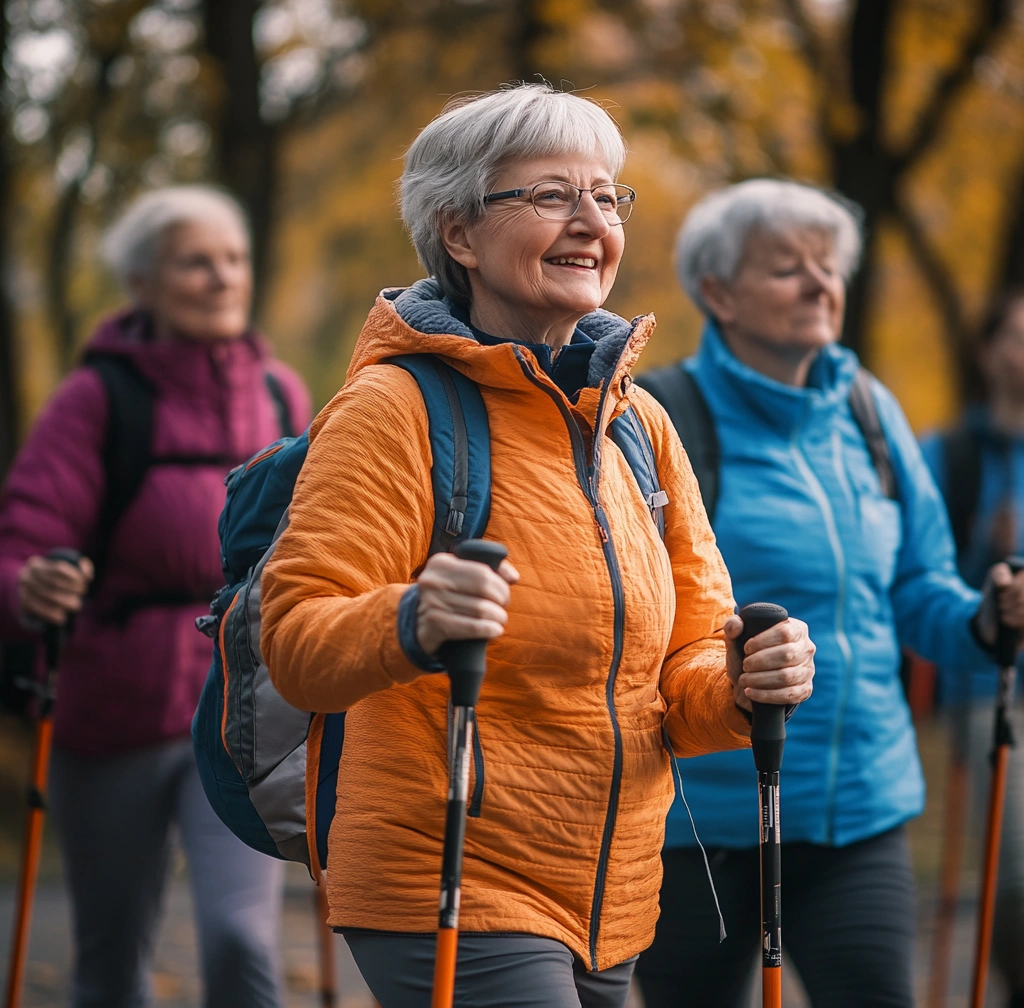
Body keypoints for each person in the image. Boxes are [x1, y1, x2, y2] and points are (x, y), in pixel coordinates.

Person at [258, 84, 816, 1008]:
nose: (590, 221)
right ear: (460, 233)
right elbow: (297, 648)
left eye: (606, 195)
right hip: (447, 875)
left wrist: (749, 683)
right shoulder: (394, 409)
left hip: (614, 896)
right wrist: (413, 618)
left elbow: (682, 688)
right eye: (550, 196)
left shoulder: (639, 425)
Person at [632, 179, 1024, 1008]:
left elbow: (919, 591)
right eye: (787, 268)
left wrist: (988, 620)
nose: (821, 284)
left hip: (860, 812)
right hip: (697, 824)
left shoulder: (867, 410)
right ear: (717, 293)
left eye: (829, 265)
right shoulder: (661, 417)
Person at [0, 185, 311, 1008]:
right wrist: (30, 586)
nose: (221, 278)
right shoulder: (97, 401)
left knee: (242, 939)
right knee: (111, 953)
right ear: (142, 282)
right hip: (114, 713)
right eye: (195, 261)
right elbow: (21, 542)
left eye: (234, 259)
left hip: (244, 710)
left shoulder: (281, 396)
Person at [919, 290, 1024, 1008]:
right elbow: (920, 570)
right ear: (989, 351)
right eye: (1016, 336)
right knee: (1014, 871)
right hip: (990, 687)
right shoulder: (949, 454)